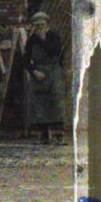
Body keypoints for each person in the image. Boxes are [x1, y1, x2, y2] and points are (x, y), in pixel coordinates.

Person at [21, 11, 68, 143]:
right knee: (40, 106)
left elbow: (55, 51)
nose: (39, 28)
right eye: (37, 26)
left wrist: (43, 40)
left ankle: (59, 135)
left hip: (53, 73)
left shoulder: (54, 37)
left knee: (56, 103)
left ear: (47, 24)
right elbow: (25, 59)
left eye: (41, 25)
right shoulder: (31, 40)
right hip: (39, 74)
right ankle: (43, 135)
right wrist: (34, 72)